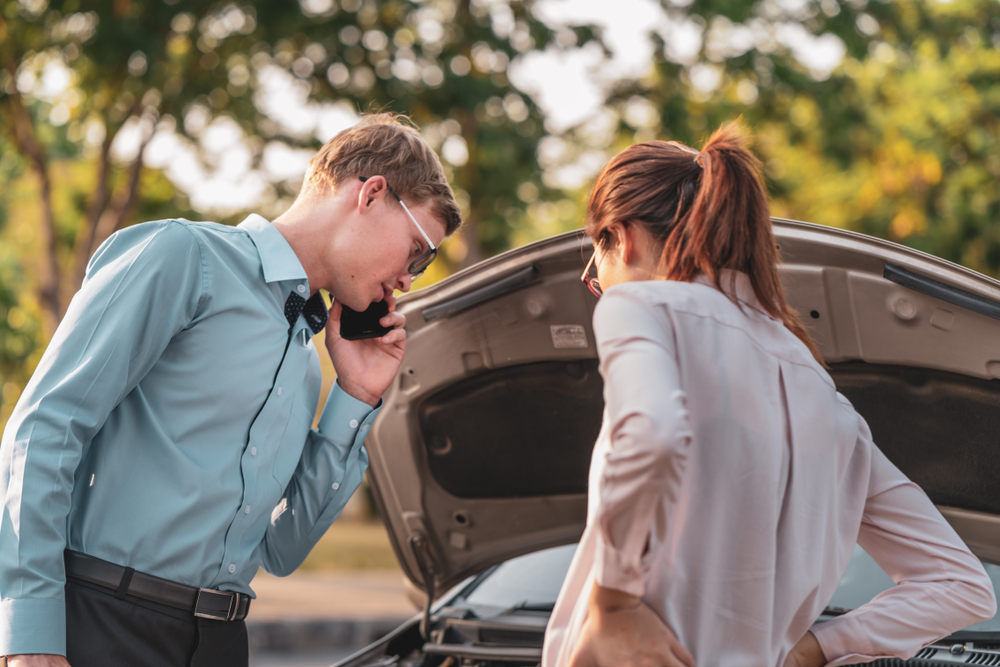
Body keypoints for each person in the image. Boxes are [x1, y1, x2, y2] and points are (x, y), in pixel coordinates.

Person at [0, 113, 462, 667]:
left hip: (222, 642)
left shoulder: (308, 361)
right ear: (371, 194)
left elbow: (281, 548)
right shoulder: (182, 258)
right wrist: (30, 634)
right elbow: (45, 427)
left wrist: (356, 397)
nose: (411, 277)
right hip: (101, 625)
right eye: (417, 250)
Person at [543, 123, 996, 667]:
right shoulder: (825, 399)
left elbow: (654, 434)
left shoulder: (639, 307)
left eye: (597, 268)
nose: (601, 286)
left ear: (621, 236)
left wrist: (614, 604)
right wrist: (815, 649)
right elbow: (962, 584)